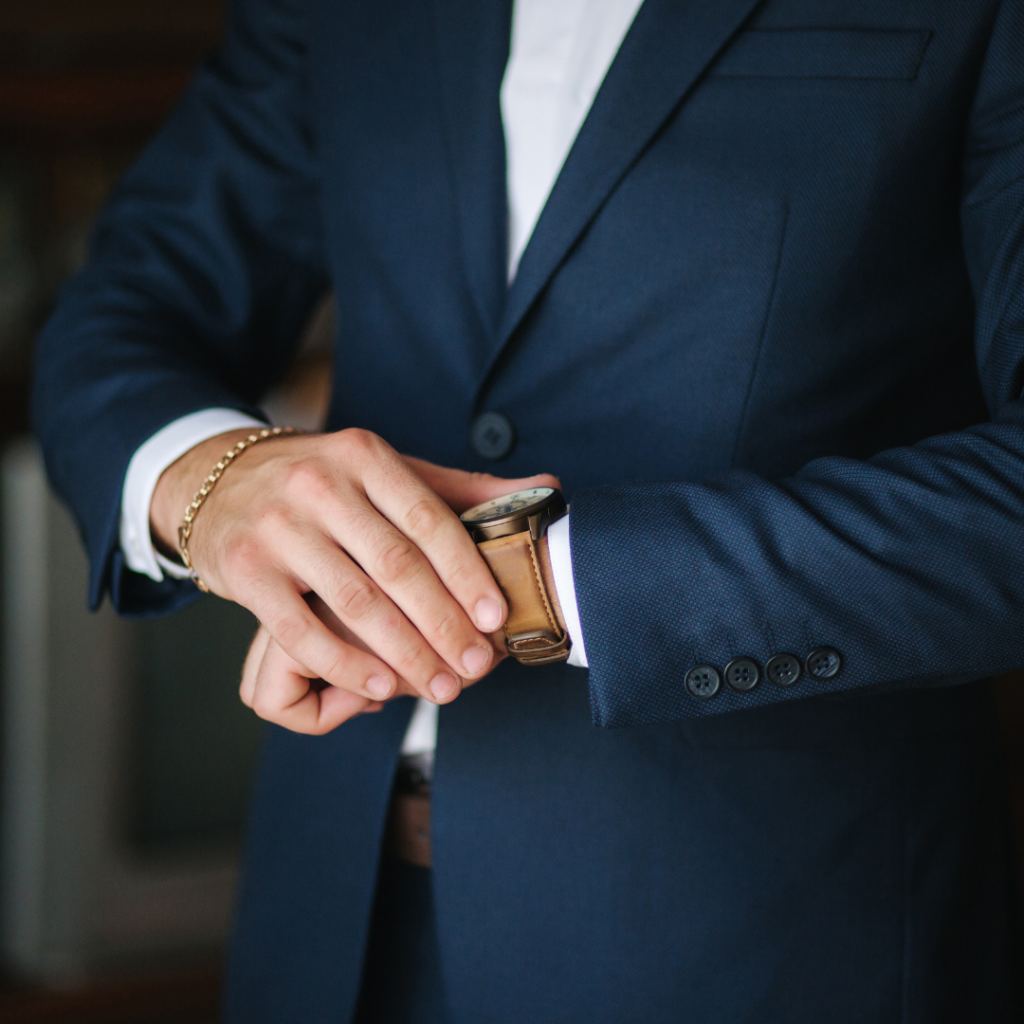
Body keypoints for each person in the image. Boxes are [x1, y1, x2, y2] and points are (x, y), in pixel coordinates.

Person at [31, 0, 1024, 1020]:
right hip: (329, 921)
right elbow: (126, 310)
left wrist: (547, 578)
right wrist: (210, 480)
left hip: (767, 939)